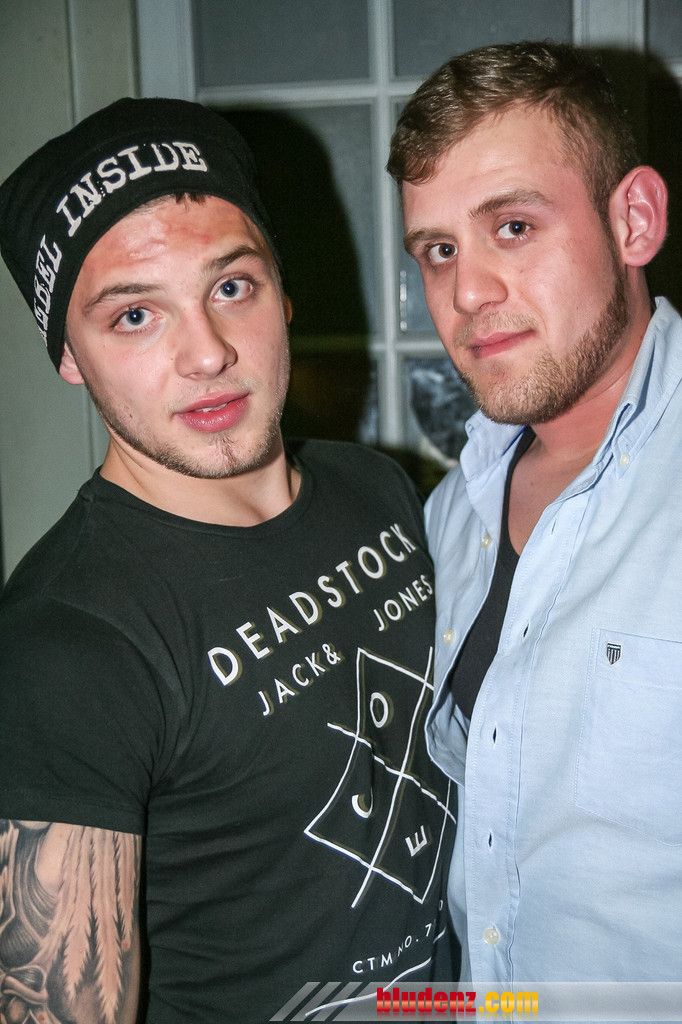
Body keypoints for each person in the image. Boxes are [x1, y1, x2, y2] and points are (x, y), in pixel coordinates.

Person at [0, 97, 456, 1024]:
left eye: (232, 287)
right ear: (71, 356)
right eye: (135, 315)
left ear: (283, 291)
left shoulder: (377, 488)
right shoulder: (67, 642)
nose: (206, 353)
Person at [388, 40, 680, 986]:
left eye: (512, 227)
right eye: (438, 251)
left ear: (633, 220)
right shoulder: (450, 514)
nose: (467, 292)